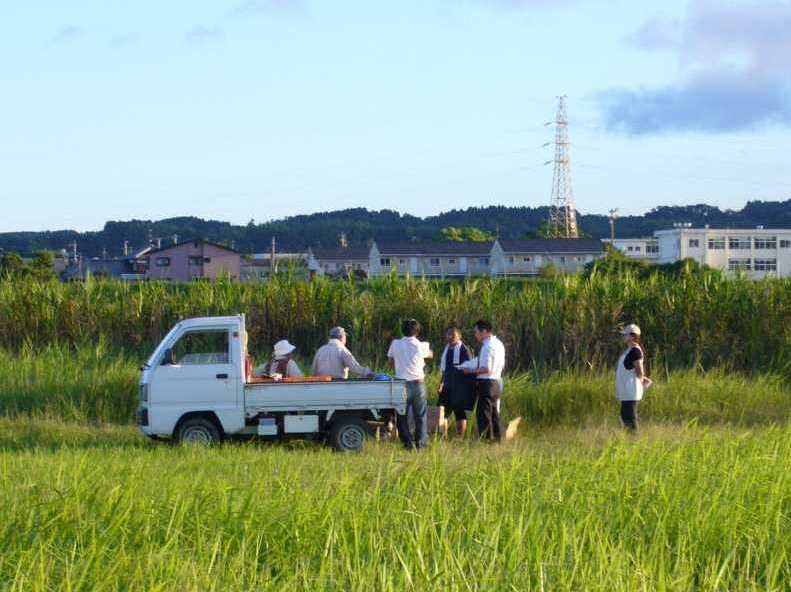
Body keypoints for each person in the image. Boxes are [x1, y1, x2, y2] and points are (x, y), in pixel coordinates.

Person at [388, 318, 433, 450]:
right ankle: (421, 443)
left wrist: (399, 366)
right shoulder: (422, 345)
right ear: (417, 332)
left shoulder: (395, 344)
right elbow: (430, 355)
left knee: (401, 416)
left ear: (402, 330)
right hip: (419, 384)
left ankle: (408, 443)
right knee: (420, 415)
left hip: (401, 385)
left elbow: (390, 363)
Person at [464, 319, 505, 442]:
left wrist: (469, 371)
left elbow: (486, 369)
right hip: (496, 382)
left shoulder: (487, 346)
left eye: (476, 332)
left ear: (484, 331)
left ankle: (487, 440)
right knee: (494, 413)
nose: (475, 335)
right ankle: (498, 438)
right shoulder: (498, 343)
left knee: (484, 414)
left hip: (487, 383)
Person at [437, 326, 475, 438]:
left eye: (452, 335)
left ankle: (460, 437)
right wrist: (441, 383)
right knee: (442, 411)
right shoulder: (447, 348)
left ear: (459, 336)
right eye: (448, 334)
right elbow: (444, 369)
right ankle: (443, 436)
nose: (449, 337)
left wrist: (467, 388)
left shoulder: (464, 349)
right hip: (447, 385)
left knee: (459, 411)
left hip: (460, 387)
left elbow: (470, 368)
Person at [616, 323, 647, 431]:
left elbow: (639, 370)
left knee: (630, 418)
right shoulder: (629, 350)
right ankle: (629, 437)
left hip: (631, 390)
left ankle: (634, 438)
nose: (623, 336)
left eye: (626, 334)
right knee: (624, 415)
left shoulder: (635, 351)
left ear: (633, 336)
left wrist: (642, 382)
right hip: (626, 391)